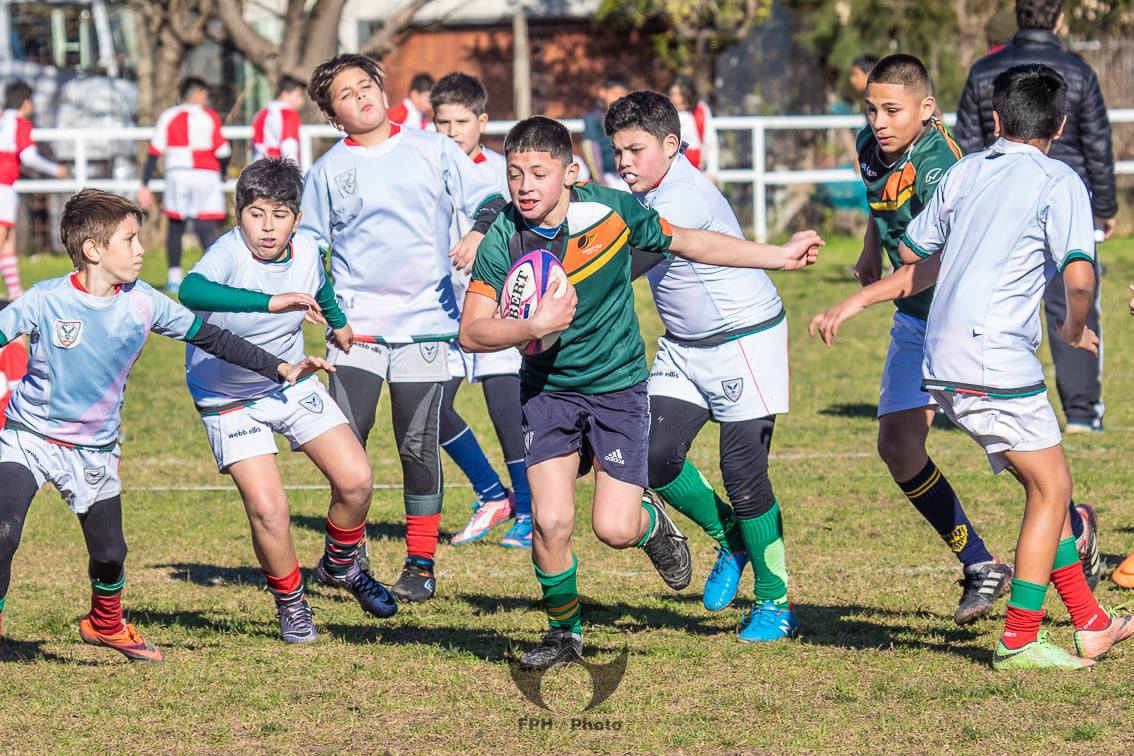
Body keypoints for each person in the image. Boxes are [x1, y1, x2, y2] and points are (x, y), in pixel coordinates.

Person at [459, 115, 823, 669]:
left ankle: (654, 526)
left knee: (614, 527)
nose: (525, 186)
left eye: (538, 173)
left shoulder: (612, 211)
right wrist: (532, 327)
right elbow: (472, 330)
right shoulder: (504, 238)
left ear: (569, 172)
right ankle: (564, 634)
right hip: (546, 393)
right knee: (552, 521)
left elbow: (692, 242)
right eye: (514, 175)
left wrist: (778, 254)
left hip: (616, 389)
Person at [811, 65, 1133, 670]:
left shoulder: (965, 169)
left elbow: (917, 253)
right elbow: (1081, 273)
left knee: (1044, 488)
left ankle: (1092, 622)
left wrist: (862, 287)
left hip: (941, 353)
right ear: (1059, 126)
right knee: (1053, 491)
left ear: (994, 120)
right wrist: (1072, 325)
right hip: (994, 356)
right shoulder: (1059, 179)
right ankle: (1020, 639)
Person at [0, 189, 327, 661]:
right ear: (94, 250)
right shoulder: (45, 300)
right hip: (27, 436)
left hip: (94, 449)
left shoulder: (144, 303)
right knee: (3, 532)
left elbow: (211, 336)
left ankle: (106, 624)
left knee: (111, 553)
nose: (141, 250)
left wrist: (279, 367)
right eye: (130, 240)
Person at [821, 53, 1027, 625]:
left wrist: (863, 295)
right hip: (915, 319)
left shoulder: (944, 165)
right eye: (872, 109)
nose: (879, 121)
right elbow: (878, 200)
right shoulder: (871, 145)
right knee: (898, 446)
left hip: (964, 320)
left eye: (892, 110)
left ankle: (1071, 524)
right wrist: (869, 247)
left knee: (1012, 452)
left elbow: (940, 261)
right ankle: (981, 563)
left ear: (927, 110)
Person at [300, 54, 507, 602]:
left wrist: (481, 232)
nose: (362, 97)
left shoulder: (433, 148)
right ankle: (349, 553)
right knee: (348, 448)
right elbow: (310, 247)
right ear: (333, 114)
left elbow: (488, 198)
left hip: (427, 327)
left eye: (366, 85)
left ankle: (421, 563)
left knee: (418, 446)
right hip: (356, 334)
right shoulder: (325, 172)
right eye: (347, 94)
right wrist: (323, 307)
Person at [177, 158, 397, 643]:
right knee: (270, 511)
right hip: (226, 394)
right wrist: (269, 302)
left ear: (297, 218)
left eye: (280, 214)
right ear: (239, 214)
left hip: (290, 381)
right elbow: (189, 290)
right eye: (256, 213)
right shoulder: (229, 253)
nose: (268, 227)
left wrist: (339, 323)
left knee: (357, 482)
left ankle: (339, 566)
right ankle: (292, 602)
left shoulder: (307, 249)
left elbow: (319, 285)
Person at [606, 91, 797, 641]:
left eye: (635, 149)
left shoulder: (682, 196)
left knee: (744, 475)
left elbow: (625, 264)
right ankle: (731, 537)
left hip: (744, 342)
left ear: (671, 145)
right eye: (617, 150)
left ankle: (775, 602)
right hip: (683, 347)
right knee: (653, 457)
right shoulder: (640, 192)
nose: (624, 162)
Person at [955, 0, 1115, 436]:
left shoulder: (985, 70)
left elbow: (967, 142)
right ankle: (1082, 414)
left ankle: (972, 395)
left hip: (998, 212)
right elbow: (1098, 145)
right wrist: (1104, 207)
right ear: (1060, 19)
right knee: (1075, 305)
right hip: (1068, 201)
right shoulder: (1079, 71)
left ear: (1019, 19)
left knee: (993, 297)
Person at [430, 71, 533, 548]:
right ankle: (493, 495)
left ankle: (530, 511)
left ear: (482, 121)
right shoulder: (424, 171)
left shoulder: (502, 172)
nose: (450, 132)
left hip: (499, 306)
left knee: (506, 412)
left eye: (461, 121)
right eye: (441, 121)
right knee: (429, 408)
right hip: (440, 307)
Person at [138, 77, 231, 294]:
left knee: (176, 226)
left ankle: (173, 278)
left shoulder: (168, 116)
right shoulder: (209, 116)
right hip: (206, 174)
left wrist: (144, 183)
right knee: (206, 228)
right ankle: (218, 276)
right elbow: (223, 151)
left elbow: (154, 152)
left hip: (177, 174)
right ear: (199, 94)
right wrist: (223, 171)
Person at [0, 80, 68, 298]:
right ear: (25, 102)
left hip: (5, 185)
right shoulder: (19, 123)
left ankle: (14, 291)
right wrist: (54, 169)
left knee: (8, 239)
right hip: (3, 185)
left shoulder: (2, 120)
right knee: (2, 237)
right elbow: (28, 156)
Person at [581, 74, 629, 189]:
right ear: (603, 92)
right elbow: (590, 147)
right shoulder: (594, 118)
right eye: (614, 93)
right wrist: (600, 179)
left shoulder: (628, 117)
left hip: (624, 174)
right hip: (605, 176)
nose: (618, 98)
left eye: (622, 94)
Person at [668, 76, 719, 176]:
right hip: (673, 172)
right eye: (673, 94)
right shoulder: (667, 112)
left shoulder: (701, 110)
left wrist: (713, 172)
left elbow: (711, 143)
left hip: (697, 170)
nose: (676, 98)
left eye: (680, 94)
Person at [251, 75, 305, 163]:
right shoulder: (288, 114)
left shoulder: (261, 113)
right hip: (277, 169)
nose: (302, 100)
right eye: (299, 95)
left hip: (258, 166)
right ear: (285, 94)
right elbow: (289, 147)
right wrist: (294, 173)